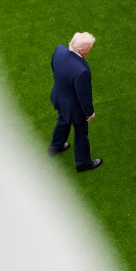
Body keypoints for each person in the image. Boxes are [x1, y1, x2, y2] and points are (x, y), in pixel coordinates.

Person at [48, 32, 101, 172]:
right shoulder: (81, 70)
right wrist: (89, 113)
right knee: (81, 133)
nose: (91, 48)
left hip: (60, 98)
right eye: (90, 46)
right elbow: (83, 95)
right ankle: (83, 163)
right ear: (82, 50)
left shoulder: (59, 50)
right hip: (75, 108)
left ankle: (55, 147)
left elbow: (53, 67)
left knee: (62, 120)